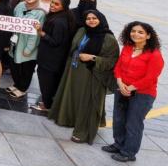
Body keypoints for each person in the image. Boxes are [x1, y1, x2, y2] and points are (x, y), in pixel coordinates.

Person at [49, 9, 120, 144]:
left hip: (93, 74)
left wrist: (93, 58)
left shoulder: (108, 38)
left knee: (88, 102)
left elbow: (112, 61)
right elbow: (74, 47)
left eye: (94, 18)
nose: (91, 21)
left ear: (101, 20)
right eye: (88, 18)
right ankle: (70, 119)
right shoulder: (82, 31)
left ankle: (84, 132)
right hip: (75, 70)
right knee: (74, 96)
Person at [104, 22, 164, 162]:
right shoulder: (127, 47)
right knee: (119, 119)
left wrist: (130, 88)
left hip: (142, 94)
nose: (136, 34)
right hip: (122, 88)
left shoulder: (154, 55)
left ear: (148, 36)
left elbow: (150, 78)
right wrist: (120, 83)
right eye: (133, 31)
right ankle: (118, 144)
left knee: (133, 123)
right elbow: (118, 67)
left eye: (140, 32)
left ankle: (129, 152)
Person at [33, 0, 75, 113]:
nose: (52, 5)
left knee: (46, 82)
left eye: (57, 4)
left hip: (50, 59)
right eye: (52, 2)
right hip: (53, 58)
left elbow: (55, 41)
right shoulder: (60, 16)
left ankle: (47, 105)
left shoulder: (59, 22)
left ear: (63, 6)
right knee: (49, 81)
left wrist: (41, 32)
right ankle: (48, 102)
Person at [7, 0, 46, 99]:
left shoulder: (40, 13)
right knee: (14, 65)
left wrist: (29, 48)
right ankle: (17, 84)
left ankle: (22, 88)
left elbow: (36, 34)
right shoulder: (20, 5)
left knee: (26, 69)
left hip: (27, 44)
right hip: (15, 41)